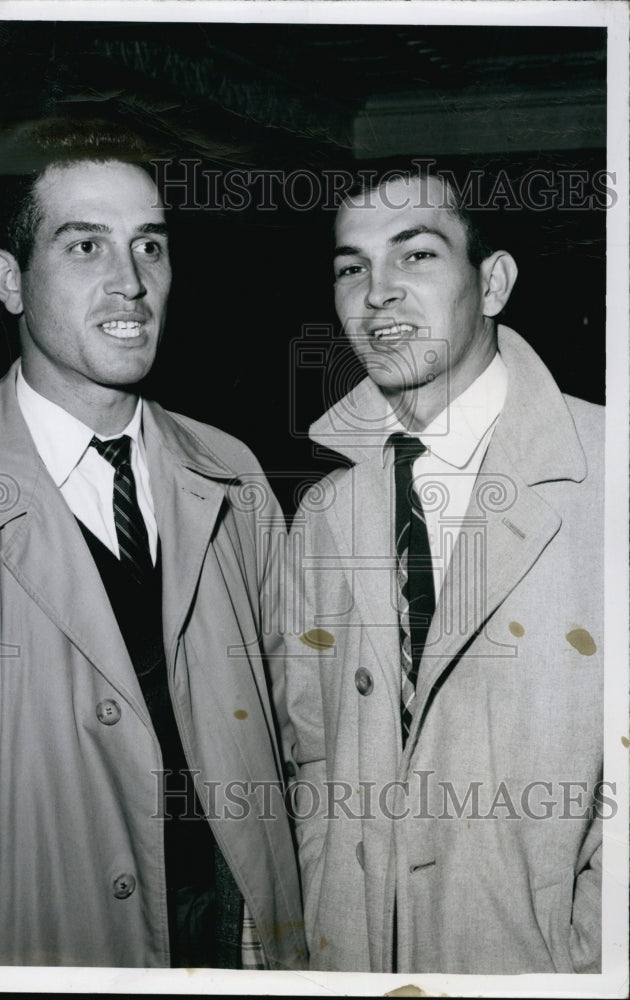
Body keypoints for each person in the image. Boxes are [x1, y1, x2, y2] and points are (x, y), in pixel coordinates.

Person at [0, 122, 305, 970]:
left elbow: (303, 731)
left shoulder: (230, 471)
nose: (131, 284)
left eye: (149, 246)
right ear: (9, 280)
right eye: (85, 246)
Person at [284, 164, 603, 974]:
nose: (376, 292)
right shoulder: (324, 512)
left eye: (415, 255)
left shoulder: (610, 476)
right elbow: (312, 755)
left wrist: (584, 957)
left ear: (492, 283)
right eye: (351, 267)